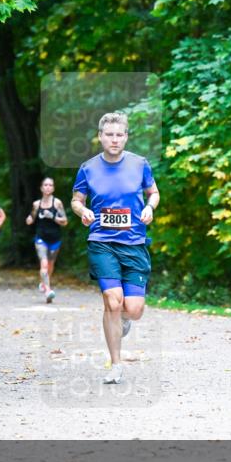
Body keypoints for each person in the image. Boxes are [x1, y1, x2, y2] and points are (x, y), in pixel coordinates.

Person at [71, 112, 159, 384]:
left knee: (133, 309)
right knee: (112, 300)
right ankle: (116, 364)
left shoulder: (140, 164)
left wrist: (149, 207)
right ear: (100, 136)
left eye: (119, 135)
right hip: (102, 242)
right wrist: (83, 211)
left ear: (126, 137)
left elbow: (153, 193)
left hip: (134, 243)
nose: (114, 139)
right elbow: (76, 200)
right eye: (109, 135)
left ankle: (123, 319)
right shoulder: (88, 168)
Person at [26, 177, 68, 303]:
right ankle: (48, 290)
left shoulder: (57, 203)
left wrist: (53, 217)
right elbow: (31, 217)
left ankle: (43, 283)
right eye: (45, 185)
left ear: (53, 188)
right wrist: (29, 219)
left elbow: (65, 221)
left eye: (50, 185)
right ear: (41, 188)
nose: (48, 187)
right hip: (41, 239)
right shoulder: (36, 204)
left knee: (50, 265)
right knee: (44, 264)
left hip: (55, 239)